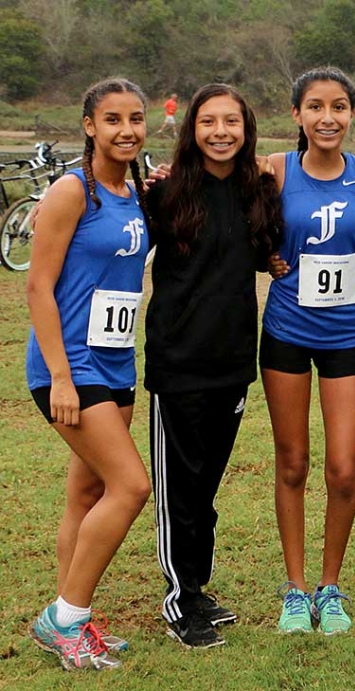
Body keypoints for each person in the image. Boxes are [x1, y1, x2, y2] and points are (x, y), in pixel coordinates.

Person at [145, 83, 282, 648]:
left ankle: (197, 588)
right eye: (208, 122)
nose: (220, 131)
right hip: (177, 363)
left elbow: (264, 251)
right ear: (191, 129)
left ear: (246, 128)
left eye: (232, 121)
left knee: (205, 487)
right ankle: (179, 602)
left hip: (232, 363)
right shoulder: (165, 192)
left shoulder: (259, 191)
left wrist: (274, 256)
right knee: (179, 489)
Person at [26, 78, 152, 671]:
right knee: (131, 486)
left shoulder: (132, 191)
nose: (126, 130)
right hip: (71, 367)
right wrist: (60, 375)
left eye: (135, 119)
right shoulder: (70, 191)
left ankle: (73, 617)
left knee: (87, 492)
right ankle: (65, 616)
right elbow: (38, 287)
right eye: (113, 120)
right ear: (88, 126)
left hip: (116, 359)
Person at [261, 67, 355, 634]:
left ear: (352, 114)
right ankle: (294, 588)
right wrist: (268, 257)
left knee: (342, 468)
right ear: (297, 115)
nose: (327, 117)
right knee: (292, 462)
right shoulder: (274, 170)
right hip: (286, 332)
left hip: (344, 337)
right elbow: (221, 205)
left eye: (339, 106)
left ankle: (329, 587)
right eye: (315, 106)